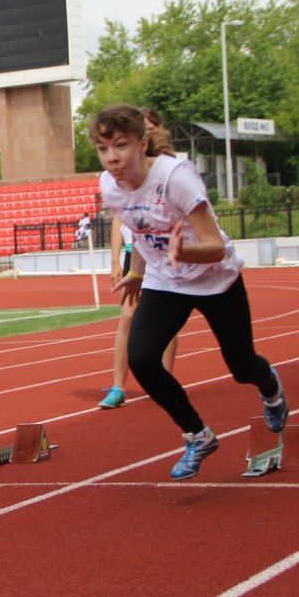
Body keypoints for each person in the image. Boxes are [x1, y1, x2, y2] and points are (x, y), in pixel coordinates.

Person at [92, 104, 288, 480]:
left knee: (241, 366)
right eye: (103, 149)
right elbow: (141, 231)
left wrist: (185, 251)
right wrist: (136, 272)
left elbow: (216, 245)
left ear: (142, 143)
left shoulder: (176, 178)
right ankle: (198, 434)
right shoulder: (109, 187)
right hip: (167, 281)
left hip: (215, 276)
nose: (113, 158)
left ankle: (271, 387)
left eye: (121, 145)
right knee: (143, 357)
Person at [99, 108, 178, 408]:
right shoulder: (121, 175)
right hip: (137, 253)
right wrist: (115, 259)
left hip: (164, 252)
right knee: (128, 317)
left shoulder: (169, 168)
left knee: (168, 322)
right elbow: (119, 219)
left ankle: (165, 383)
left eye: (146, 128)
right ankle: (118, 386)